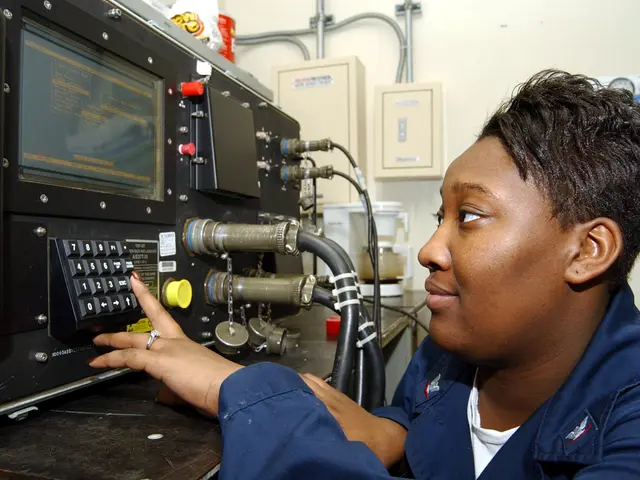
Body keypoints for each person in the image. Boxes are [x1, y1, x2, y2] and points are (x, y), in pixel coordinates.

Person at [89, 70, 640, 479]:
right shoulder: (452, 353)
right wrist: (396, 431)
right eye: (438, 219)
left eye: (469, 217)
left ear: (589, 249)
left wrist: (240, 389)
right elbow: (409, 413)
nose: (429, 250)